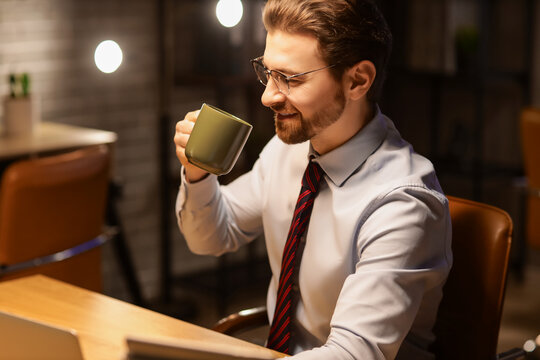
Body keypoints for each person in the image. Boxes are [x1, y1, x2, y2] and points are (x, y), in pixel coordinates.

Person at [174, 0, 452, 359]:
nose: (267, 96)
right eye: (267, 72)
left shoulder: (403, 203)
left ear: (357, 80)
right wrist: (197, 173)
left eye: (290, 78)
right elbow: (211, 237)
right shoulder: (287, 150)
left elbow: (352, 354)